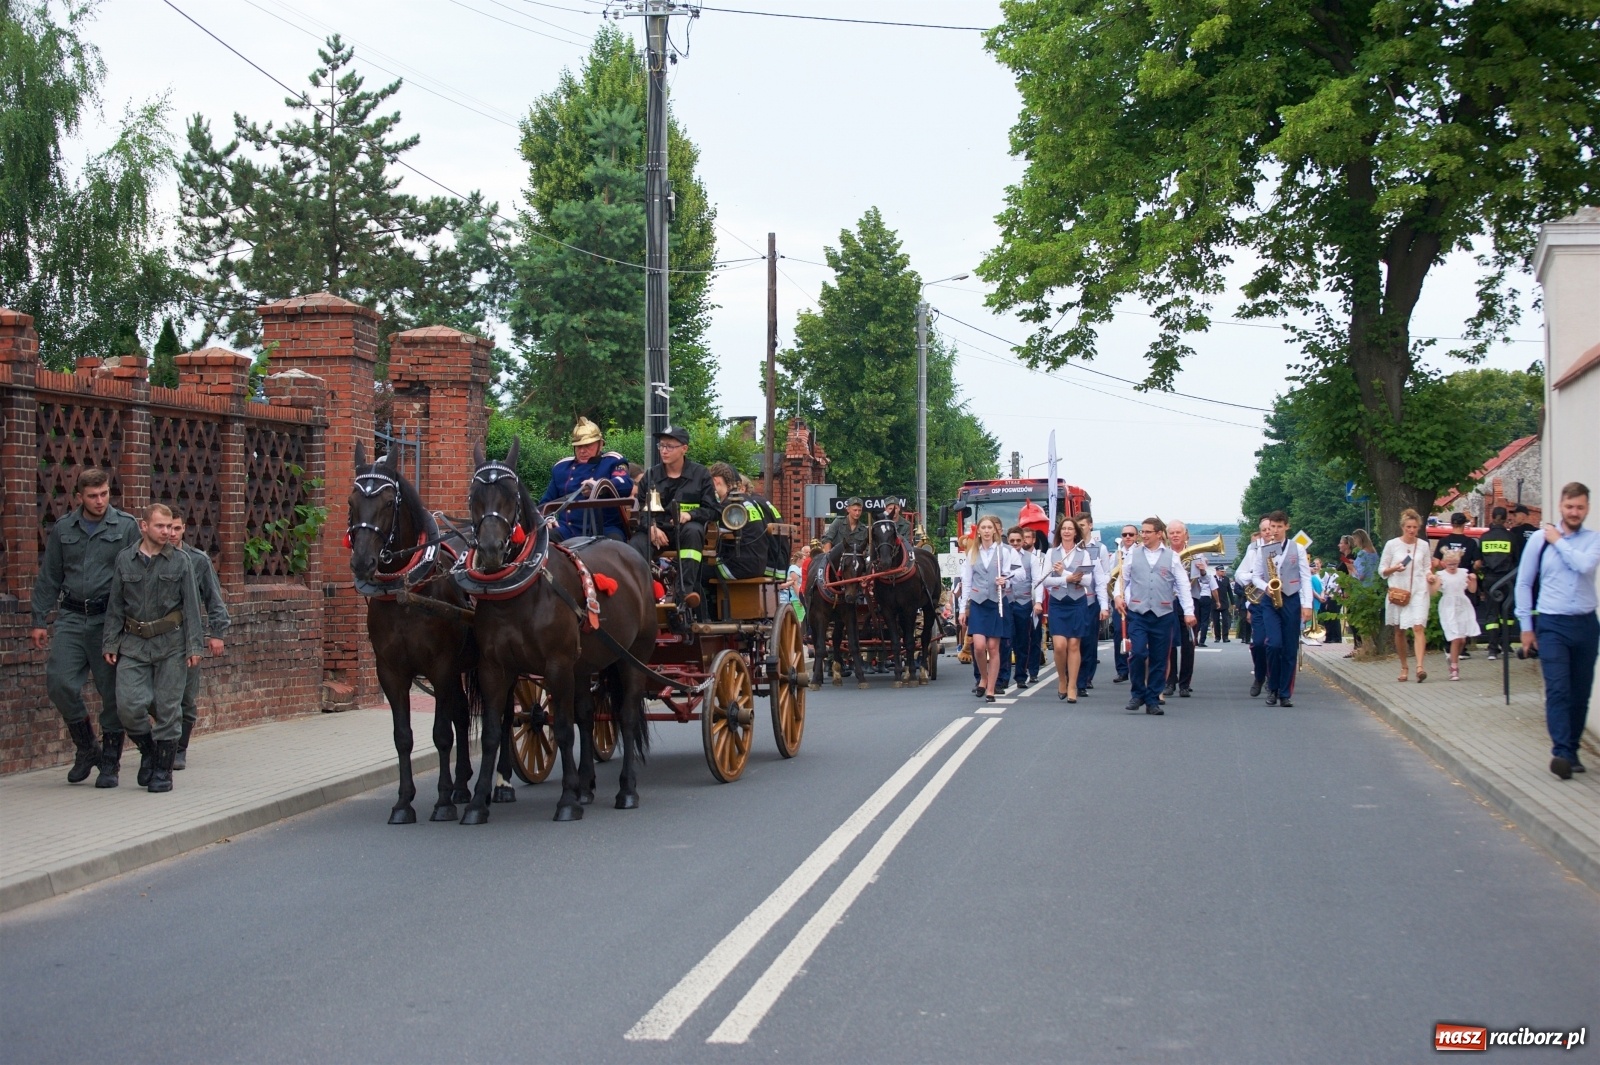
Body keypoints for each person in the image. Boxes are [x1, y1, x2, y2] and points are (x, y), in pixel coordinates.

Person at [30, 467, 142, 786]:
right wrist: (39, 619)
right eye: (92, 496)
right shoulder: (65, 528)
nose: (100, 500)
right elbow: (49, 576)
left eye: (104, 494)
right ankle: (86, 747)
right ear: (78, 497)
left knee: (111, 691)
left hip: (110, 620)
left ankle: (110, 761)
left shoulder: (126, 527)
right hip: (71, 616)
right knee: (59, 682)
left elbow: (139, 574)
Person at [102, 503, 203, 793]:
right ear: (143, 526)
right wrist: (110, 641)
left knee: (169, 708)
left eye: (171, 527)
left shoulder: (181, 561)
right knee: (129, 706)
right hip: (133, 643)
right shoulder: (125, 560)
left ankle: (162, 771)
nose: (167, 532)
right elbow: (116, 605)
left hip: (171, 643)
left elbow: (192, 607)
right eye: (161, 526)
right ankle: (149, 751)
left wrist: (194, 645)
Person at [1515, 482, 1600, 781]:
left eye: (1579, 507)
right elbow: (1524, 583)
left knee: (1580, 693)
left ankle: (1573, 749)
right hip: (1552, 624)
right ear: (1560, 507)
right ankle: (1562, 752)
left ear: (1586, 508)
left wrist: (1559, 541)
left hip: (1586, 624)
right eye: (1569, 507)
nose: (1574, 512)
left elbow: (1584, 567)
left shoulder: (1593, 540)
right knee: (1559, 689)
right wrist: (1526, 628)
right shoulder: (1539, 540)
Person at [165, 514, 229, 770]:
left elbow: (214, 599)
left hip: (187, 635)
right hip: (156, 638)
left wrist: (217, 633)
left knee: (186, 697)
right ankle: (160, 743)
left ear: (183, 529)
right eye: (167, 527)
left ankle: (179, 748)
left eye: (176, 528)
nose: (171, 533)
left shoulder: (198, 560)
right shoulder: (146, 557)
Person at [1114, 517, 1195, 715]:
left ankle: (1152, 700)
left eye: (1148, 532)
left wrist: (1189, 611)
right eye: (1142, 531)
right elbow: (1122, 578)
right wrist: (1118, 596)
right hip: (1139, 613)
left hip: (1163, 613)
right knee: (1139, 653)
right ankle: (1137, 693)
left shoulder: (1172, 557)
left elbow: (1183, 585)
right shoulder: (1133, 554)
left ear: (1159, 534)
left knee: (1159, 659)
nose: (1143, 535)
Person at [631, 425, 717, 609]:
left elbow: (713, 509)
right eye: (661, 446)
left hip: (685, 532)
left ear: (684, 448)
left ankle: (684, 595)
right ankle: (640, 596)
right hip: (656, 532)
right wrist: (651, 528)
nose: (664, 450)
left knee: (694, 532)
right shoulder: (651, 475)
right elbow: (641, 511)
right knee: (634, 546)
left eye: (670, 446)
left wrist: (691, 515)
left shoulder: (700, 474)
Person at [1242, 511, 1312, 706]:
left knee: (1289, 648)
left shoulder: (1297, 549)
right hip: (1269, 600)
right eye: (1272, 526)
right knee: (1273, 644)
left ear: (1286, 527)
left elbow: (1305, 577)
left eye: (1279, 527)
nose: (1275, 530)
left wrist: (1307, 605)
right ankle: (1272, 687)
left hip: (1291, 598)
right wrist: (1266, 588)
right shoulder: (1262, 549)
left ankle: (1284, 693)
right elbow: (1255, 576)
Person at [1035, 515, 1107, 702]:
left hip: (1077, 602)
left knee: (1074, 645)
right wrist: (1066, 578)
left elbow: (1087, 580)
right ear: (1060, 532)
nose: (1067, 531)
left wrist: (1065, 573)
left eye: (1070, 528)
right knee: (1059, 646)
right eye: (1064, 528)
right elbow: (1045, 580)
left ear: (1076, 532)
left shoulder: (1084, 553)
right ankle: (1062, 679)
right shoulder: (1052, 553)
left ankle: (1073, 685)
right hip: (1058, 603)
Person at [959, 515, 1024, 702]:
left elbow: (1020, 573)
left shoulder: (1004, 551)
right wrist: (963, 609)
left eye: (990, 528)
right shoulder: (973, 552)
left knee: (993, 647)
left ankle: (991, 688)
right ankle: (984, 678)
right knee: (978, 646)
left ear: (995, 531)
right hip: (979, 603)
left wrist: (1006, 578)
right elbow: (967, 581)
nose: (987, 531)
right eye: (983, 527)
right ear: (978, 531)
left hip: (997, 602)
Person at [539, 417, 633, 541]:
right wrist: (548, 518)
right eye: (578, 446)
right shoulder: (561, 468)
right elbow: (545, 503)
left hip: (605, 529)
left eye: (588, 445)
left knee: (615, 547)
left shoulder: (613, 461)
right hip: (568, 530)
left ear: (600, 443)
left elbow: (625, 484)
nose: (582, 451)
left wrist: (599, 486)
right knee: (542, 541)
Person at [1381, 508, 1434, 683]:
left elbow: (1427, 567)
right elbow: (1382, 571)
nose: (1411, 530)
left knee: (1418, 626)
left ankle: (1420, 667)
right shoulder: (1392, 545)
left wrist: (1430, 576)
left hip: (1418, 590)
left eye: (1415, 527)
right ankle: (1404, 666)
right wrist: (1394, 568)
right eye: (1408, 527)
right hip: (1399, 591)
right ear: (1402, 527)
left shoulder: (1423, 545)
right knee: (1399, 630)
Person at [707, 463, 771, 582]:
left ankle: (710, 600)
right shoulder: (750, 501)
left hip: (738, 567)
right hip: (759, 564)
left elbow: (714, 538)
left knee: (695, 569)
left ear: (715, 481)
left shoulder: (729, 505)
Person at [1164, 520, 1207, 697]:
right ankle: (1169, 681)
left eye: (1178, 532)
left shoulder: (1196, 555)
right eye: (1171, 533)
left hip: (1190, 601)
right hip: (1168, 601)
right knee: (1169, 643)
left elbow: (1206, 583)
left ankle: (1184, 683)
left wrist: (1203, 571)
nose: (1175, 535)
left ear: (1186, 535)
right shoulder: (1164, 554)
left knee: (1189, 643)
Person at [1234, 522, 1272, 697]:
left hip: (1279, 604)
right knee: (1257, 643)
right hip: (1258, 603)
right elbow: (1239, 575)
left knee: (1274, 644)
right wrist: (1256, 577)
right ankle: (1259, 677)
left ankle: (1273, 679)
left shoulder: (1286, 549)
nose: (1267, 532)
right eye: (1264, 530)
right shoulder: (1254, 551)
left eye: (1270, 529)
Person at [1477, 506, 1519, 659]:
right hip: (1506, 579)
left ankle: (1492, 648)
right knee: (1506, 613)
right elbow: (1516, 560)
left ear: (1492, 517)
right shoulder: (1511, 537)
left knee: (1491, 613)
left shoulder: (1484, 538)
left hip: (1489, 580)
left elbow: (1480, 560)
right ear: (1505, 518)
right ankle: (1506, 644)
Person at [1076, 513, 1110, 690]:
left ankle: (1087, 676)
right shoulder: (1071, 547)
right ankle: (1074, 675)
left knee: (1089, 641)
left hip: (1091, 599)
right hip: (1074, 600)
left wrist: (1104, 603)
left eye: (1082, 525)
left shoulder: (1100, 549)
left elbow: (1105, 574)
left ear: (1090, 526)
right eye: (1077, 525)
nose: (1080, 528)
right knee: (1075, 641)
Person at [1433, 549, 1479, 681]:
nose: (1452, 567)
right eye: (1449, 564)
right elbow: (1434, 592)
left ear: (1458, 562)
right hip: (1448, 606)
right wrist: (1432, 582)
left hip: (1462, 605)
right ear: (1444, 563)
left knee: (1462, 640)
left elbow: (1472, 589)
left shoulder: (1463, 573)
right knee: (1455, 637)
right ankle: (1454, 668)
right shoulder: (1441, 575)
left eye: (1454, 564)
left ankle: (1452, 657)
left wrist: (1473, 580)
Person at [1002, 527, 1039, 690]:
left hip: (1024, 603)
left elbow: (1037, 581)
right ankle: (1003, 678)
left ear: (1024, 541)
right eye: (1012, 541)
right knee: (1006, 641)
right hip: (1007, 603)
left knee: (1023, 642)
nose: (1016, 544)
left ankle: (1021, 677)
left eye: (1018, 540)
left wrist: (1037, 601)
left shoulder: (1031, 558)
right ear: (1008, 541)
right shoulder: (1003, 556)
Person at [1108, 524, 1138, 684]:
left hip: (1135, 600)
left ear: (1136, 536)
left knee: (1135, 634)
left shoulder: (1140, 553)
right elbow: (1110, 577)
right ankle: (1121, 669)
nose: (1128, 537)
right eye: (1125, 534)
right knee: (1119, 634)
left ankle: (1134, 667)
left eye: (1131, 535)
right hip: (1119, 600)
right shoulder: (1116, 555)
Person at [1213, 565, 1234, 644]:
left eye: (1224, 571)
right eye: (1221, 571)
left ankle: (1225, 637)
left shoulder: (1226, 579)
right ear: (1217, 571)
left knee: (1225, 621)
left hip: (1224, 602)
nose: (1223, 573)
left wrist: (1232, 602)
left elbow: (1229, 591)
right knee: (1216, 621)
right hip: (1214, 603)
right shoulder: (1213, 579)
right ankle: (1217, 637)